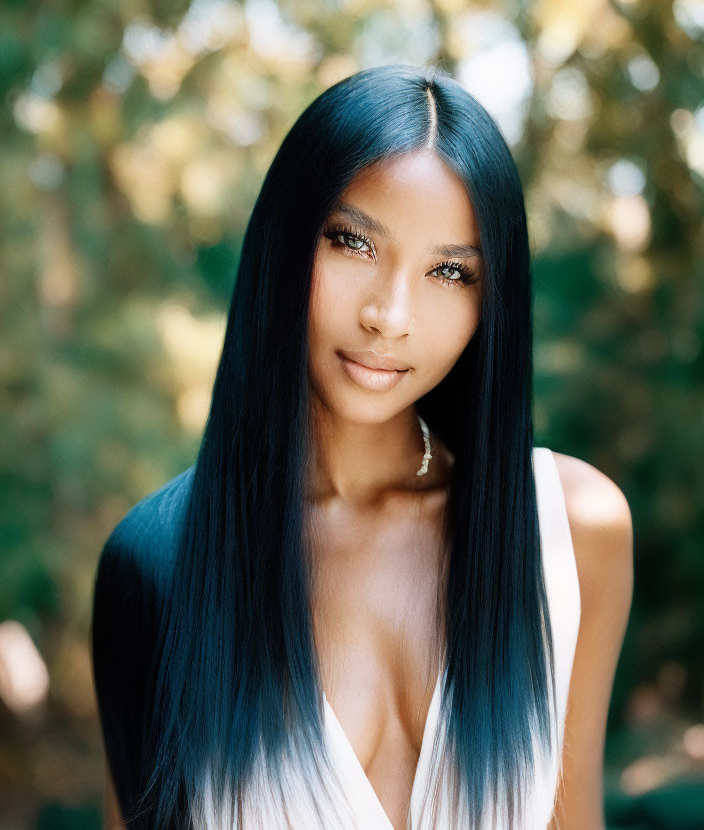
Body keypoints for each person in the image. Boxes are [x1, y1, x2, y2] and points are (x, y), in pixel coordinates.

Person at [90, 64, 634, 830]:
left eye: (450, 270)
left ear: (492, 302)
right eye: (353, 242)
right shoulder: (161, 564)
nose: (390, 313)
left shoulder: (570, 530)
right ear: (286, 242)